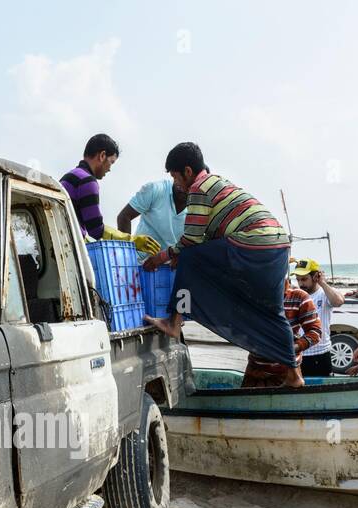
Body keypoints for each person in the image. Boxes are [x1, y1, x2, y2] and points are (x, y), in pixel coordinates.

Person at [140, 142, 302, 387]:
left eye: (175, 176)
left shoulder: (199, 187)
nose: (176, 184)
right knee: (273, 310)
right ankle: (294, 375)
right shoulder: (219, 183)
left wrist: (162, 257)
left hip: (254, 243)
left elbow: (192, 241)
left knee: (189, 257)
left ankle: (173, 322)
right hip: (278, 245)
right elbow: (207, 238)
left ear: (186, 171)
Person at [59, 134, 159, 254]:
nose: (109, 169)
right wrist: (132, 240)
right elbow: (96, 230)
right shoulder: (87, 181)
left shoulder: (69, 176)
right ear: (102, 156)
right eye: (111, 162)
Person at [241, 278, 322, 387]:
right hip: (255, 371)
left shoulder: (299, 297)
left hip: (288, 374)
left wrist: (291, 349)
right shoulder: (252, 296)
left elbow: (315, 332)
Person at [292, 259, 346, 377]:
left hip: (319, 354)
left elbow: (338, 301)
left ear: (316, 276)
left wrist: (322, 282)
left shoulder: (324, 293)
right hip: (298, 352)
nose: (301, 284)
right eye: (298, 279)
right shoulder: (297, 295)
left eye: (304, 279)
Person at [117, 179, 187, 250]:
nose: (183, 188)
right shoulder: (155, 189)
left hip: (170, 259)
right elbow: (124, 217)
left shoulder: (197, 206)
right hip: (137, 258)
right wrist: (126, 253)